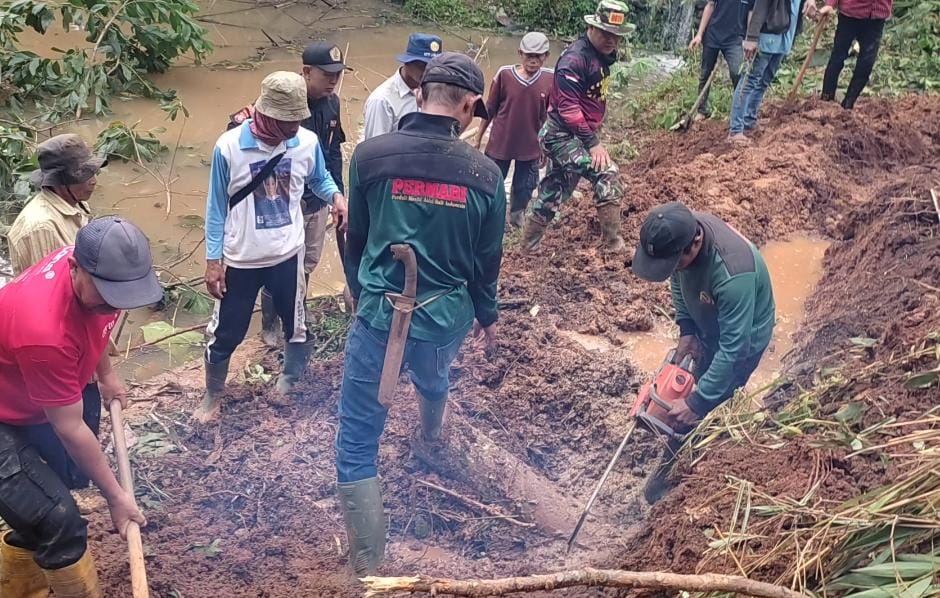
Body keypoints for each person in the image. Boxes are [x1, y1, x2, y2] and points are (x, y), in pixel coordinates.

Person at [337, 52, 505, 575]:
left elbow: (356, 239)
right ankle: (432, 433)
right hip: (443, 319)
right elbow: (485, 261)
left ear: (419, 93)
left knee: (357, 444)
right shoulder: (484, 175)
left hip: (379, 320)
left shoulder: (369, 156)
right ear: (470, 106)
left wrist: (358, 291)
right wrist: (487, 314)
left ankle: (368, 563)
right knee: (434, 377)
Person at [0, 216, 163, 597]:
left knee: (51, 497)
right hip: (6, 413)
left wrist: (106, 374)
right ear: (74, 267)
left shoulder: (100, 275)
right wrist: (118, 498)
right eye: (107, 295)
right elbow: (70, 428)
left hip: (29, 393)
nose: (114, 305)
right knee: (58, 521)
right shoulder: (44, 332)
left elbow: (99, 321)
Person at [199, 71, 348, 422]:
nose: (295, 126)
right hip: (241, 258)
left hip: (288, 253)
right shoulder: (230, 147)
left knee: (295, 323)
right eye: (287, 121)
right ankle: (213, 394)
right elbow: (216, 208)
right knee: (226, 331)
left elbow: (319, 177)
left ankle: (289, 380)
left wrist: (336, 196)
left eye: (299, 119)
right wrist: (213, 260)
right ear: (266, 115)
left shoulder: (307, 142)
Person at [229, 42, 352, 346]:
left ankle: (297, 311)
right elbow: (241, 145)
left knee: (307, 261)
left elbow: (333, 152)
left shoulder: (332, 104)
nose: (333, 80)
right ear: (306, 72)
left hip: (316, 198)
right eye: (327, 74)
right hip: (282, 201)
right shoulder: (276, 105)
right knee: (278, 262)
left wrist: (338, 195)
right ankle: (269, 324)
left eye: (337, 74)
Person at [631, 202, 775, 429]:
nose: (673, 270)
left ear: (695, 243)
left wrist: (698, 402)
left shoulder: (733, 275)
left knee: (715, 397)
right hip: (710, 316)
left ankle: (704, 434)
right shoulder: (680, 232)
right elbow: (677, 279)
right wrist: (687, 328)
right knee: (695, 378)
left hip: (744, 339)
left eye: (674, 264)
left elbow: (734, 347)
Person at [522, 0, 635, 253]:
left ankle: (528, 246)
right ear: (591, 28)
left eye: (616, 36)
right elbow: (569, 109)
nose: (612, 41)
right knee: (607, 173)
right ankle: (613, 245)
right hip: (561, 135)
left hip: (570, 135)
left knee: (554, 188)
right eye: (606, 34)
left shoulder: (602, 55)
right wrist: (593, 144)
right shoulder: (575, 59)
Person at [473, 32, 553, 228]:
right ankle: (490, 219)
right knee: (492, 181)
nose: (533, 61)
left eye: (538, 56)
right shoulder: (505, 75)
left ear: (546, 56)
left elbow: (550, 116)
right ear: (520, 53)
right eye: (529, 56)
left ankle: (516, 220)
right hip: (501, 141)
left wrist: (546, 148)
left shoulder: (551, 79)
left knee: (525, 186)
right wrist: (477, 137)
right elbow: (489, 108)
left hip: (530, 145)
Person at [6, 134, 105, 276]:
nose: (93, 181)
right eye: (84, 175)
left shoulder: (76, 203)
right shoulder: (42, 227)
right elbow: (47, 287)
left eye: (93, 173)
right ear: (61, 181)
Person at [728, 0, 807, 144]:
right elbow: (760, 6)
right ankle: (735, 130)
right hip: (768, 37)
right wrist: (751, 37)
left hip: (785, 38)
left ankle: (749, 120)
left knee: (764, 81)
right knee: (749, 81)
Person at [805, 0, 892, 109]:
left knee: (866, 64)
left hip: (877, 16)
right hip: (850, 13)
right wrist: (830, 4)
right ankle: (826, 99)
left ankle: (848, 105)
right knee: (837, 58)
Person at [360, 33, 443, 140]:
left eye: (432, 67)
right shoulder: (382, 100)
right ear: (407, 63)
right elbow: (374, 148)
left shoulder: (434, 90)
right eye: (422, 66)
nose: (427, 71)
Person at [688, 0, 751, 120]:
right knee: (705, 73)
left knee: (737, 73)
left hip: (735, 38)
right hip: (713, 34)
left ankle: (738, 112)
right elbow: (710, 5)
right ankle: (702, 111)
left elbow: (751, 12)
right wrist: (699, 35)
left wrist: (749, 38)